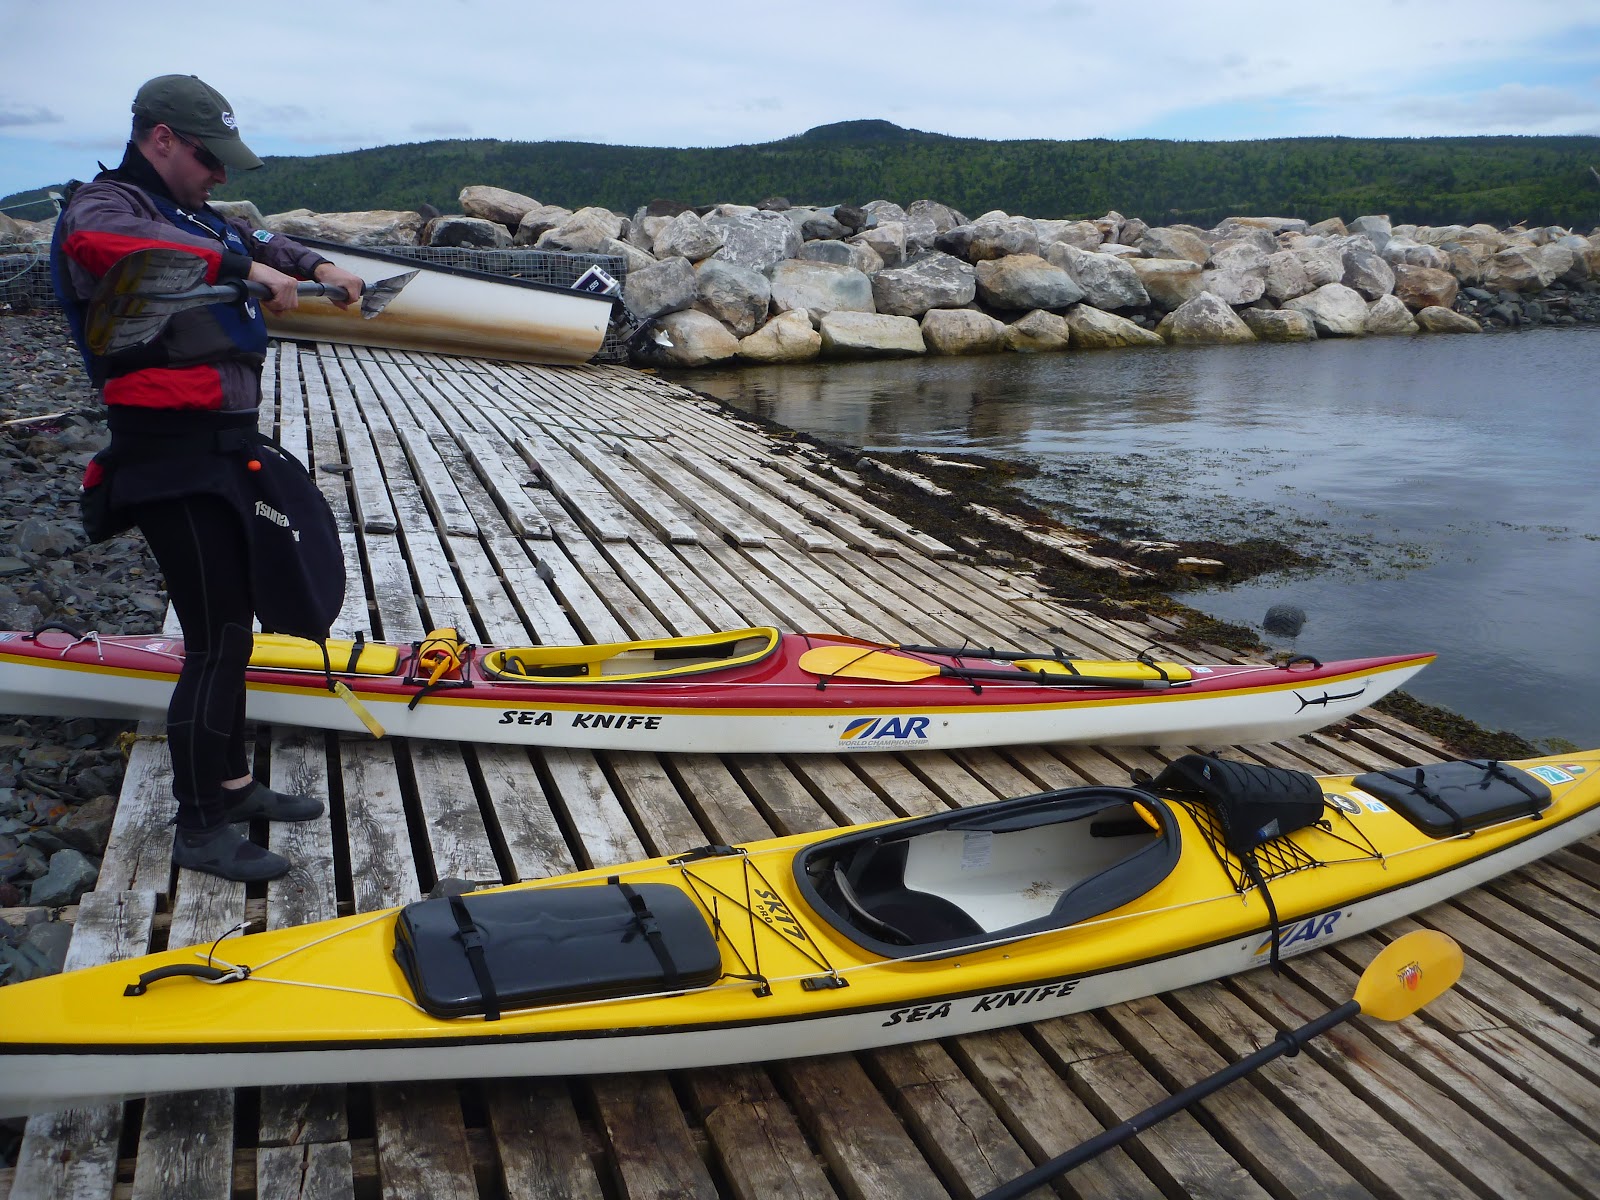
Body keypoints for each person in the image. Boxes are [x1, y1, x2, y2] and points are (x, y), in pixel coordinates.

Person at [50, 74, 367, 882]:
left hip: (223, 452)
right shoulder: (107, 205)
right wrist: (243, 267)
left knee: (233, 630)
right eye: (208, 157)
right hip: (166, 459)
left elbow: (260, 242)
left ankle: (230, 785)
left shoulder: (195, 214)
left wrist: (318, 263)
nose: (219, 174)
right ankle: (197, 827)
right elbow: (108, 244)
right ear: (160, 139)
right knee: (215, 639)